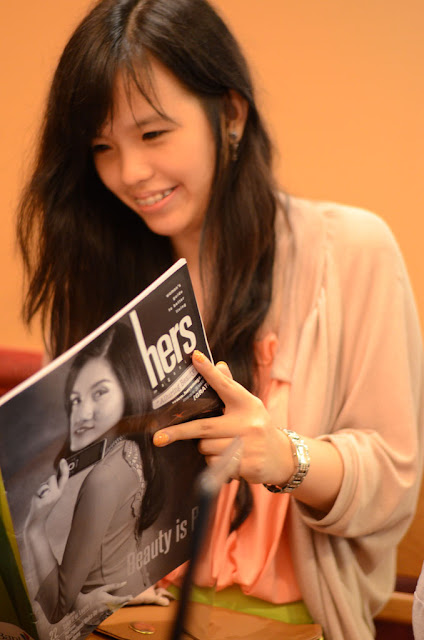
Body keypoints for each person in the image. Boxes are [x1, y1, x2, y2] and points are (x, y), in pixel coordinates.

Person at [16, 0, 424, 638]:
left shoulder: (349, 251)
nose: (129, 173)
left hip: (288, 624)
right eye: (101, 147)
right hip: (124, 621)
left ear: (230, 114)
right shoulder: (98, 271)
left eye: (153, 134)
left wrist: (284, 456)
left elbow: (392, 482)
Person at [24, 322, 165, 627]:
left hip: (104, 623)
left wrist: (35, 528)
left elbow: (57, 606)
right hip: (128, 602)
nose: (83, 413)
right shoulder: (135, 449)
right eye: (76, 400)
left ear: (129, 388)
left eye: (99, 392)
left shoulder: (104, 477)